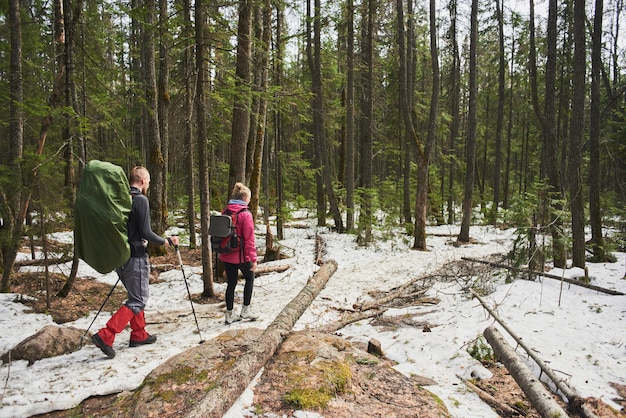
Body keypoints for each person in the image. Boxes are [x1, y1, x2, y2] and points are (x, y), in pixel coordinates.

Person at [92, 166, 179, 359]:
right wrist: (165, 241)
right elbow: (146, 232)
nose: (148, 184)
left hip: (119, 257)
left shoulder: (121, 199)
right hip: (135, 257)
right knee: (138, 299)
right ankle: (106, 335)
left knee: (135, 295)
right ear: (141, 181)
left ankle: (139, 334)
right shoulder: (140, 200)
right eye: (147, 181)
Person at [219, 182, 258, 324]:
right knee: (250, 278)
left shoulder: (226, 211)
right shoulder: (245, 214)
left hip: (226, 254)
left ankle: (229, 314)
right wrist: (252, 258)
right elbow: (249, 239)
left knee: (231, 283)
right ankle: (245, 310)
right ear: (245, 198)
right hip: (240, 255)